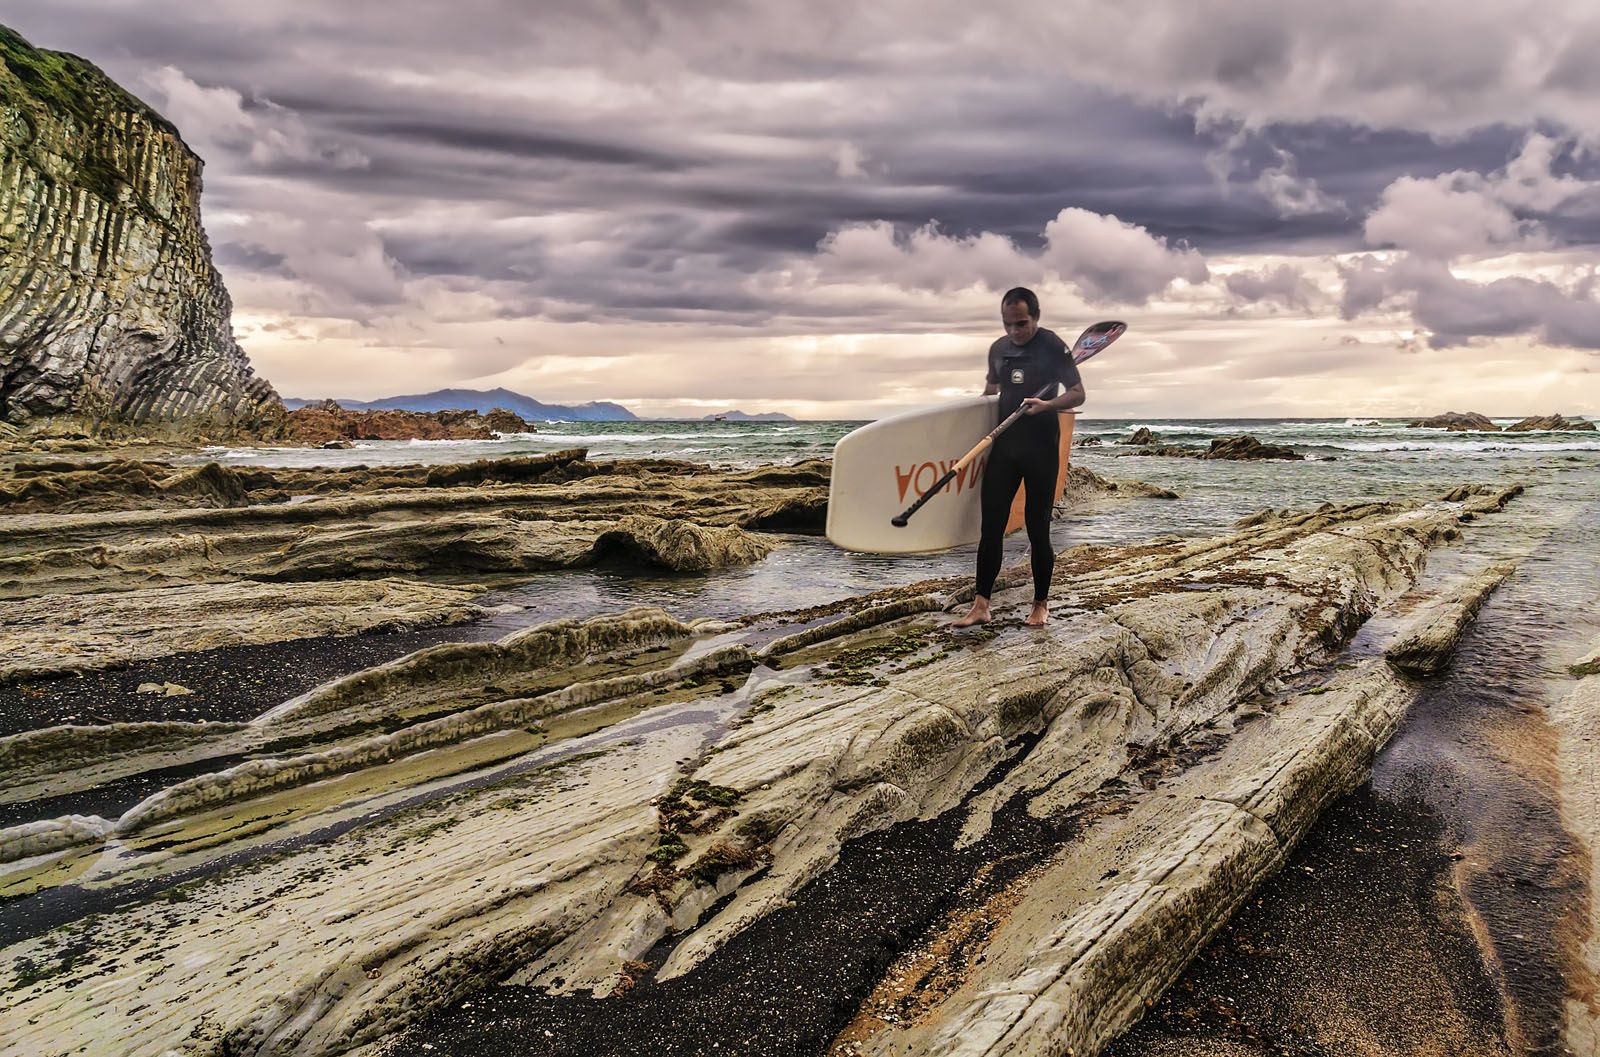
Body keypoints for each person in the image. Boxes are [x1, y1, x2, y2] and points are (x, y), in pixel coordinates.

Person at [953, 287, 1085, 628]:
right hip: (1004, 450)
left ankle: (1040, 604)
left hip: (1041, 449)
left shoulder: (1053, 346)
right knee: (991, 528)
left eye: (1021, 324)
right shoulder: (998, 349)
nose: (1014, 331)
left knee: (1038, 529)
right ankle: (981, 604)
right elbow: (990, 392)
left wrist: (1047, 405)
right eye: (1008, 324)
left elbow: (1077, 392)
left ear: (1036, 318)